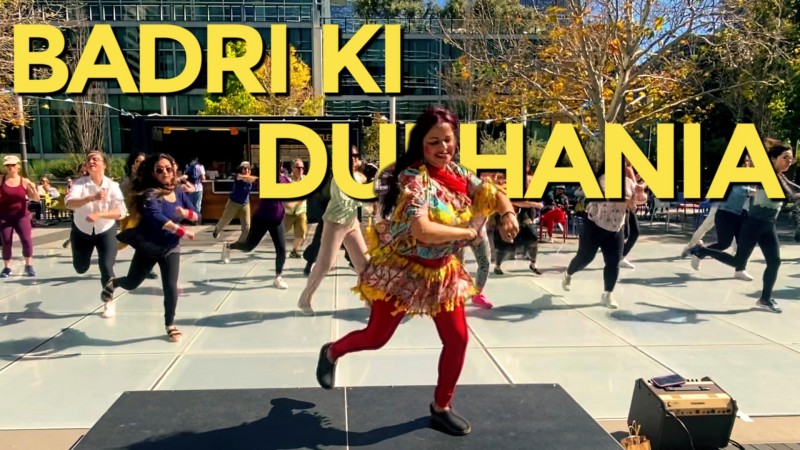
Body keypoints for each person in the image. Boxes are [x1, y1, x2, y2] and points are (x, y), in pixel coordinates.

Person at [314, 107, 519, 436]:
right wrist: (467, 234)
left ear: (456, 141)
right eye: (433, 142)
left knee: (458, 339)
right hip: (403, 272)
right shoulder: (413, 178)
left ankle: (442, 407)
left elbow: (492, 194)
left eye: (447, 141)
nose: (442, 148)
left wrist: (508, 214)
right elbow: (422, 230)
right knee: (376, 338)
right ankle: (333, 351)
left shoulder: (459, 172)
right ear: (421, 144)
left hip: (442, 273)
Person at [688, 139, 797, 313]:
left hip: (768, 226)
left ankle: (765, 299)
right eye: (785, 158)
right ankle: (702, 251)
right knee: (738, 261)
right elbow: (790, 193)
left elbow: (792, 187)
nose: (789, 161)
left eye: (791, 159)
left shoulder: (780, 176)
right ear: (773, 159)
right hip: (753, 225)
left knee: (774, 262)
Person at [102, 153, 198, 340]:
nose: (164, 172)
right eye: (159, 170)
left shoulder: (178, 191)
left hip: (171, 248)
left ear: (174, 170)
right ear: (153, 173)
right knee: (131, 283)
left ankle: (170, 324)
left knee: (170, 287)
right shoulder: (150, 193)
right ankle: (114, 282)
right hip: (149, 247)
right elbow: (155, 216)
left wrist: (187, 213)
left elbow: (197, 215)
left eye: (168, 169)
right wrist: (180, 230)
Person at [562, 161, 648, 308]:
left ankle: (607, 294)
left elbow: (641, 200)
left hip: (616, 228)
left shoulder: (628, 182)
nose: (628, 169)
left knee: (613, 262)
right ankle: (568, 274)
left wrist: (640, 192)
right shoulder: (605, 178)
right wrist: (629, 201)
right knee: (585, 258)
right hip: (595, 225)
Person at [297, 147, 370, 315]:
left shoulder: (359, 177)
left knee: (364, 264)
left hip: (351, 222)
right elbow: (348, 200)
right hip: (335, 223)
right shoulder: (339, 178)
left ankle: (369, 299)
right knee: (325, 264)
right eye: (349, 156)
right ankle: (305, 299)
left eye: (355, 156)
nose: (353, 159)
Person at [65, 151, 126, 309]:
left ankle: (109, 301)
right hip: (81, 231)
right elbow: (69, 203)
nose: (91, 161)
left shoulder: (113, 186)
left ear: (104, 165)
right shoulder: (79, 184)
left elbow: (121, 212)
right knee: (80, 268)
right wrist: (91, 197)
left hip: (106, 230)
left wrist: (100, 214)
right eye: (89, 159)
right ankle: (74, 241)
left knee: (106, 266)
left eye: (95, 159)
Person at [687, 155, 754, 273]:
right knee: (720, 240)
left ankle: (740, 269)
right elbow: (741, 190)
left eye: (747, 161)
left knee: (742, 243)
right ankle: (697, 251)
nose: (746, 164)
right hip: (724, 210)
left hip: (741, 214)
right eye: (743, 162)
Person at [230, 163, 289, 289]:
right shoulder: (266, 179)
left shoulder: (285, 179)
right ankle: (229, 246)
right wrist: (241, 176)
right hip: (261, 218)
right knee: (248, 247)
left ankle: (278, 277)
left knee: (282, 250)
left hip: (277, 220)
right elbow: (253, 179)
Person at [0, 155, 40, 277]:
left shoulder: (24, 181)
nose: (10, 167)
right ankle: (7, 267)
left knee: (26, 240)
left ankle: (29, 265)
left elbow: (36, 199)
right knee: (6, 241)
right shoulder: (1, 180)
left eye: (12, 165)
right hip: (4, 216)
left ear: (18, 166)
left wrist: (33, 189)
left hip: (21, 216)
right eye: (8, 165)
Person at [212, 161, 256, 243]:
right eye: (245, 169)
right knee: (225, 220)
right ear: (241, 170)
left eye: (248, 169)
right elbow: (244, 178)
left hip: (245, 204)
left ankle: (241, 242)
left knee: (247, 226)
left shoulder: (251, 178)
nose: (247, 171)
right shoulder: (238, 176)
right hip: (233, 203)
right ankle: (217, 230)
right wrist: (257, 179)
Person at [619, 160, 647, 269]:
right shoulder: (624, 168)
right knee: (627, 232)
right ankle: (618, 256)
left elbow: (636, 186)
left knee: (631, 233)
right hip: (622, 204)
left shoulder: (629, 168)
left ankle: (620, 257)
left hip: (628, 204)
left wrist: (641, 184)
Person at [284, 159, 308, 258]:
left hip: (300, 211)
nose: (300, 169)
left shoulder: (306, 180)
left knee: (302, 232)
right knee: (281, 232)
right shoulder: (287, 181)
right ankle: (279, 247)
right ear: (292, 168)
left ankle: (294, 251)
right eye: (298, 167)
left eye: (302, 167)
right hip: (287, 213)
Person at [184, 156, 206, 222]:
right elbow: (203, 178)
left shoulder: (187, 166)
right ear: (196, 159)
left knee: (191, 205)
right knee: (197, 205)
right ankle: (197, 220)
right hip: (198, 188)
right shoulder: (200, 166)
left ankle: (191, 220)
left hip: (190, 187)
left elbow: (185, 177)